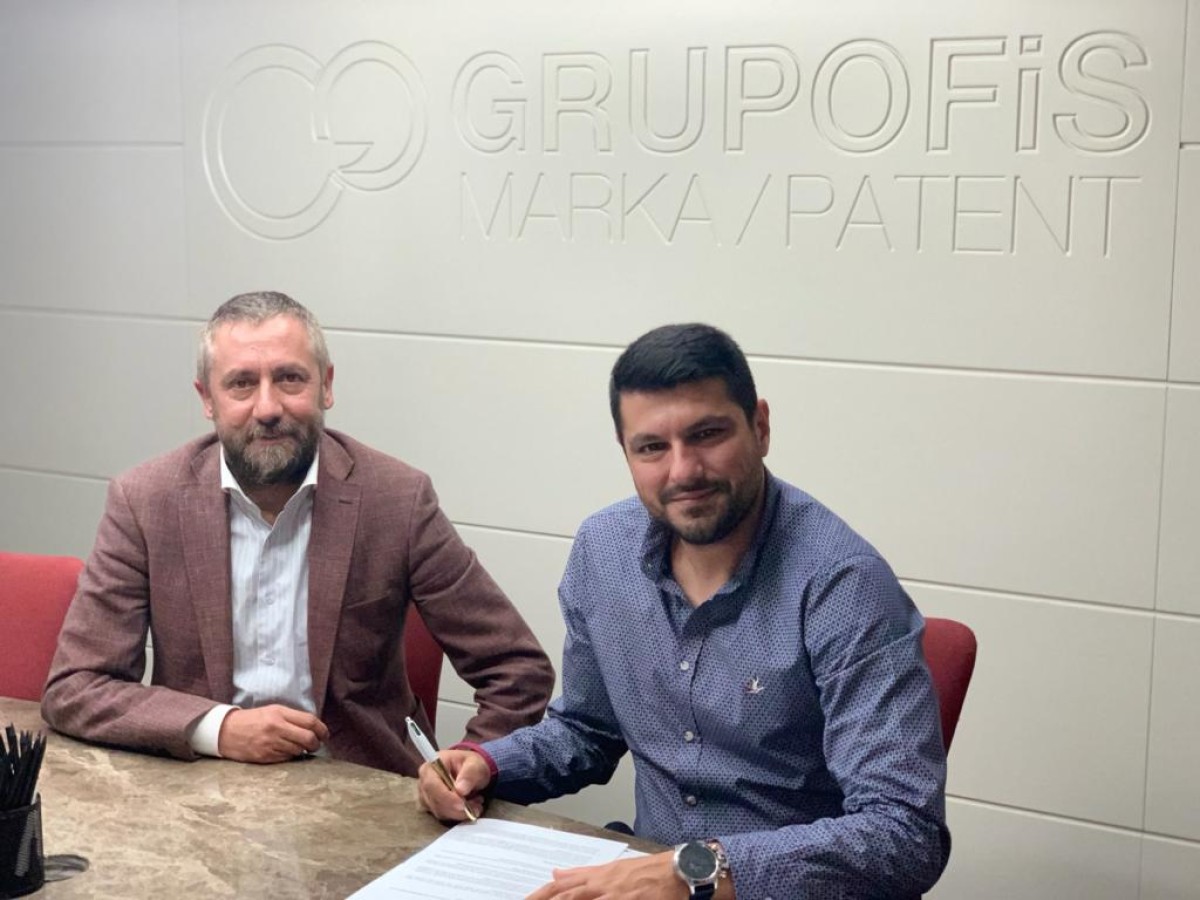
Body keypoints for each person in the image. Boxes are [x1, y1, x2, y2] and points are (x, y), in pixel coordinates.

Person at [418, 324, 949, 899]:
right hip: (648, 877)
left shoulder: (842, 583)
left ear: (760, 427)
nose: (683, 471)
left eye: (707, 434)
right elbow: (588, 731)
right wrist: (486, 764)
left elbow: (904, 833)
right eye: (652, 447)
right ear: (625, 451)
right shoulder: (604, 551)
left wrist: (698, 869)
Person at [42, 291, 555, 775]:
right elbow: (76, 687)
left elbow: (517, 671)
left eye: (289, 379)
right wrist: (219, 729)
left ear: (326, 385)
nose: (267, 408)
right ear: (207, 398)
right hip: (201, 787)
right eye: (241, 384)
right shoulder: (145, 501)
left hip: (364, 793)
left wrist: (471, 764)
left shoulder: (397, 500)